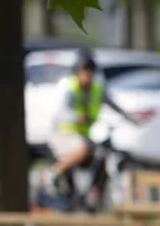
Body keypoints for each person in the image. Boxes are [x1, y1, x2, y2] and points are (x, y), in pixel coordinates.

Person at [49, 48, 135, 195]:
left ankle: (93, 195)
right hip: (63, 134)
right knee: (85, 149)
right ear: (77, 72)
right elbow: (62, 112)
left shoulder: (97, 89)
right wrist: (77, 116)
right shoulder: (70, 88)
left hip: (82, 135)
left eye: (90, 72)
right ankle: (56, 170)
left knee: (100, 157)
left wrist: (132, 119)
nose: (87, 77)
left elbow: (114, 106)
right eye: (84, 72)